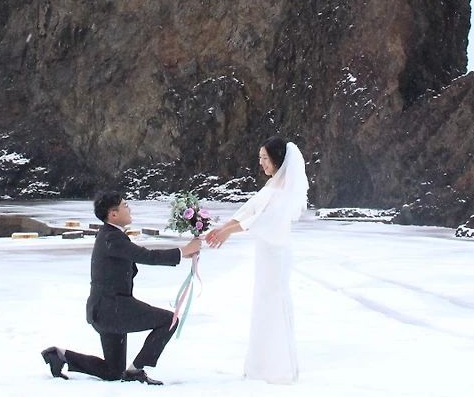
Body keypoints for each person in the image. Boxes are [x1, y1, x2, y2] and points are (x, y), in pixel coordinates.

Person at [42, 192, 202, 385]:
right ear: (113, 214)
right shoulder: (112, 238)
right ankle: (136, 370)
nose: (129, 209)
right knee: (169, 320)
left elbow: (132, 257)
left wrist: (182, 254)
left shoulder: (110, 235)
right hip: (112, 308)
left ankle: (59, 355)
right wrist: (182, 251)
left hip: (106, 310)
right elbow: (146, 256)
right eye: (125, 206)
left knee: (113, 371)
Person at [204, 136, 308, 384]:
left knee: (272, 300)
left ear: (277, 160)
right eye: (260, 158)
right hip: (265, 250)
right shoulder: (271, 185)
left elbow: (263, 220)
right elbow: (249, 210)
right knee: (262, 301)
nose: (261, 163)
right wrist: (223, 228)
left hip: (276, 251)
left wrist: (228, 232)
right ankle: (260, 365)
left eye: (264, 158)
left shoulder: (285, 190)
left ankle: (276, 368)